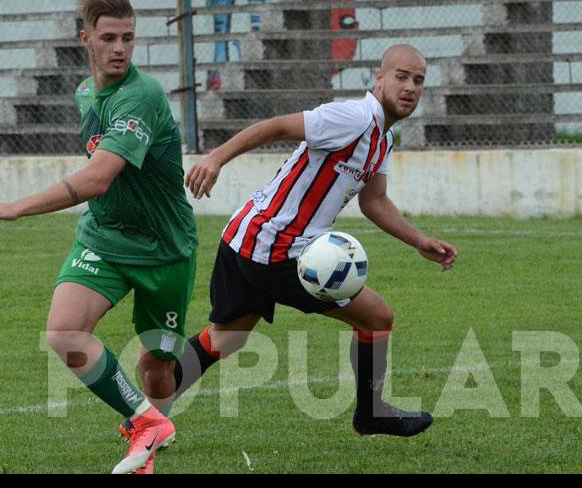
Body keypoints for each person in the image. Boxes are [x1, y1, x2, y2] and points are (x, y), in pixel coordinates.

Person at [0, 0, 198, 474]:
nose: (120, 48)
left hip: (164, 248)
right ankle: (147, 425)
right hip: (104, 239)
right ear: (85, 39)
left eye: (128, 39)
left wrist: (15, 207)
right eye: (109, 38)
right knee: (64, 332)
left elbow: (97, 176)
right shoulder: (85, 93)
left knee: (157, 364)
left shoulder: (143, 96)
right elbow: (100, 181)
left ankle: (153, 433)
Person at [177, 44, 458, 437]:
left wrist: (418, 240)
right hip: (278, 249)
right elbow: (275, 127)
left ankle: (145, 412)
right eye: (401, 76)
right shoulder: (353, 117)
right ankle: (371, 412)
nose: (410, 87)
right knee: (377, 316)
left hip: (245, 236)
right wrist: (216, 158)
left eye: (418, 80)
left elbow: (373, 200)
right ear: (379, 78)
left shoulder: (382, 138)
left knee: (226, 338)